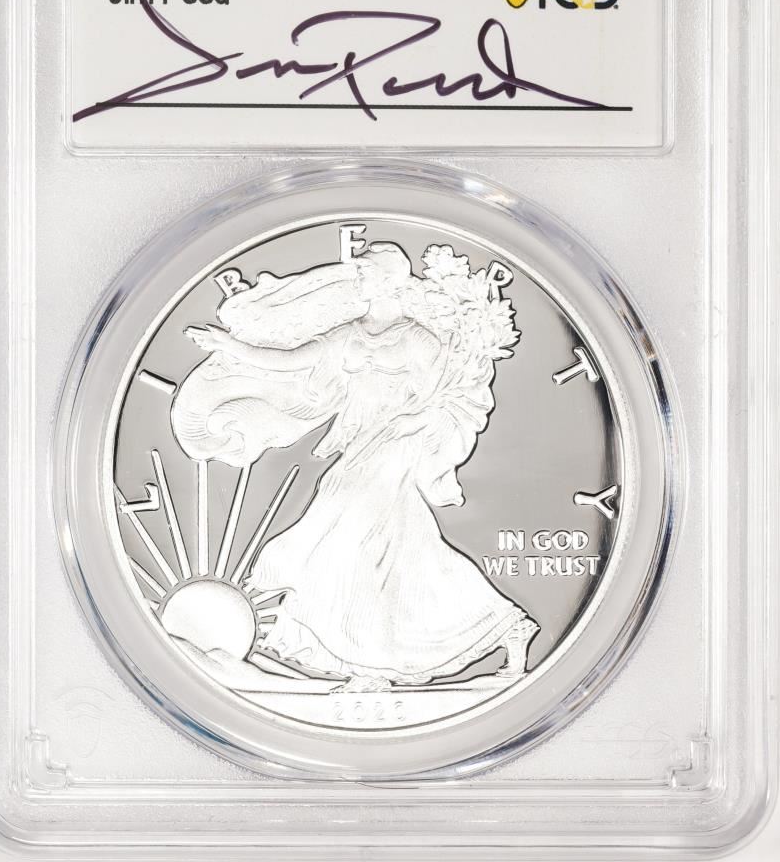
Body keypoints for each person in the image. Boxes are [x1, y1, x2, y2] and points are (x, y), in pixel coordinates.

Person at [172, 240, 539, 691]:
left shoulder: (419, 340)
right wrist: (229, 345)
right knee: (400, 552)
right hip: (361, 446)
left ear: (389, 280)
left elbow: (442, 395)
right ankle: (499, 629)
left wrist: (411, 424)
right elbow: (290, 361)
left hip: (396, 446)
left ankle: (373, 664)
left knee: (346, 534)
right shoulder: (348, 335)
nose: (358, 278)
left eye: (366, 271)